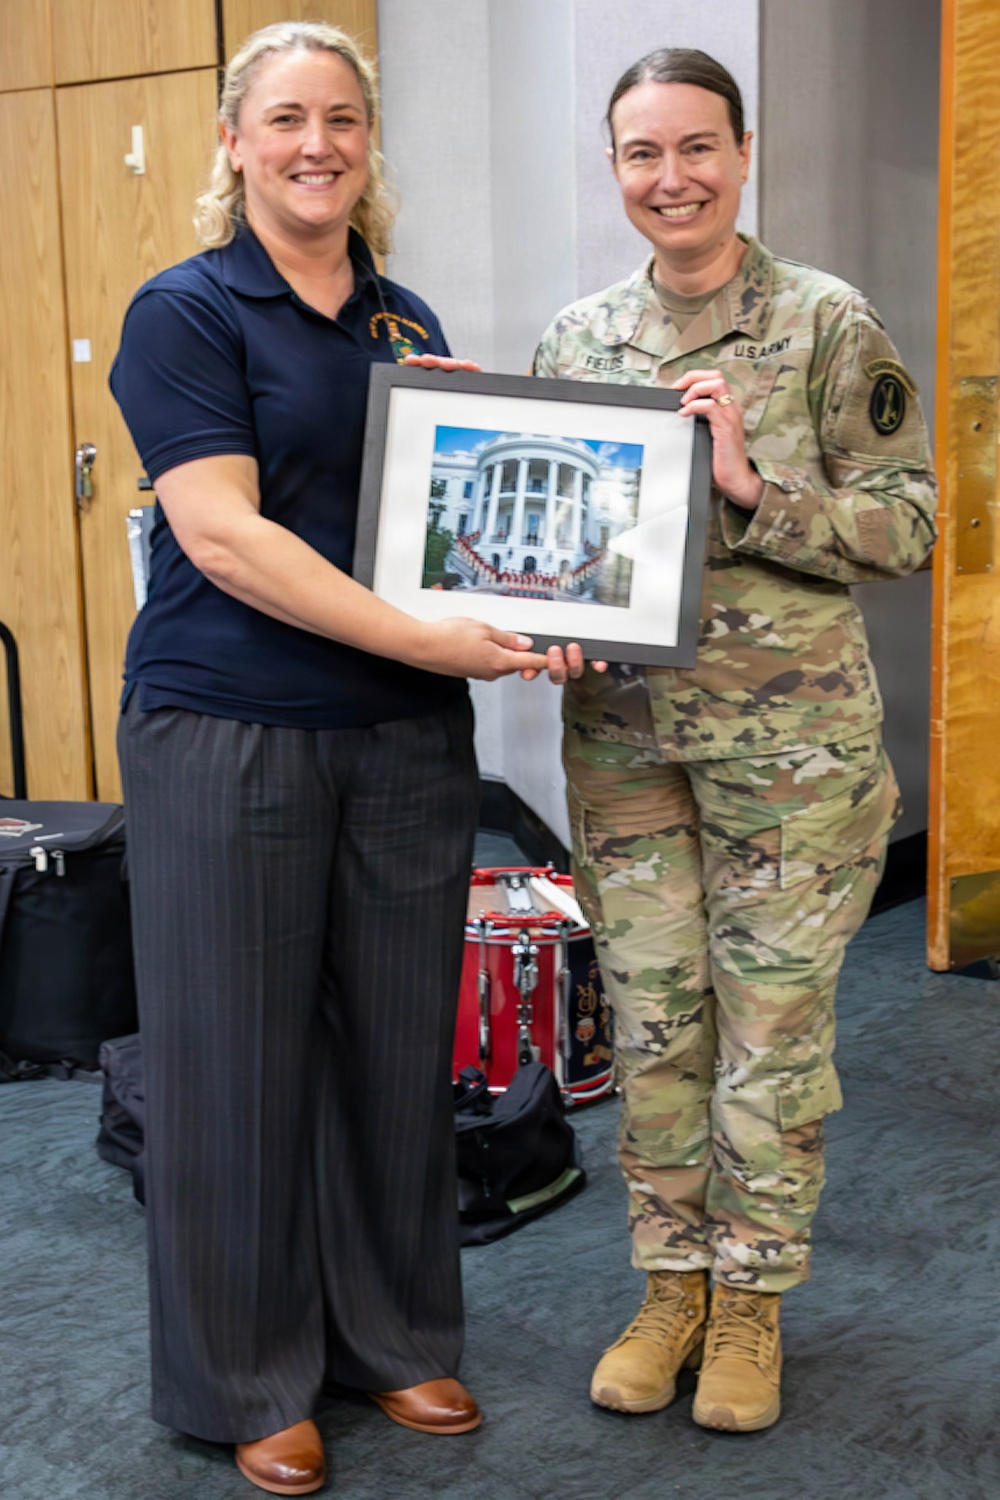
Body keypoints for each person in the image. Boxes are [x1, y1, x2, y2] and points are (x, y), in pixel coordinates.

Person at [110, 22, 555, 1496]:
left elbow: (448, 521)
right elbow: (225, 539)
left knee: (388, 1049)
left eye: (344, 120)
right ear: (234, 142)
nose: (318, 144)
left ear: (371, 145)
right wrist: (435, 645)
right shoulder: (185, 311)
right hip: (229, 732)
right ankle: (250, 1375)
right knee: (232, 1063)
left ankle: (392, 1334)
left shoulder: (405, 325)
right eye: (287, 119)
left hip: (402, 746)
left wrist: (534, 584)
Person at [532, 49, 936, 1433]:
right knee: (655, 1029)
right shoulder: (577, 341)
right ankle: (671, 1287)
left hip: (795, 770)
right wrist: (539, 609)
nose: (671, 178)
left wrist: (755, 487)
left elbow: (915, 523)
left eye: (696, 147)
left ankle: (753, 1298)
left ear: (743, 152)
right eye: (642, 154)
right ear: (616, 170)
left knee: (768, 1041)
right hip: (627, 748)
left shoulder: (827, 323)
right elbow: (556, 543)